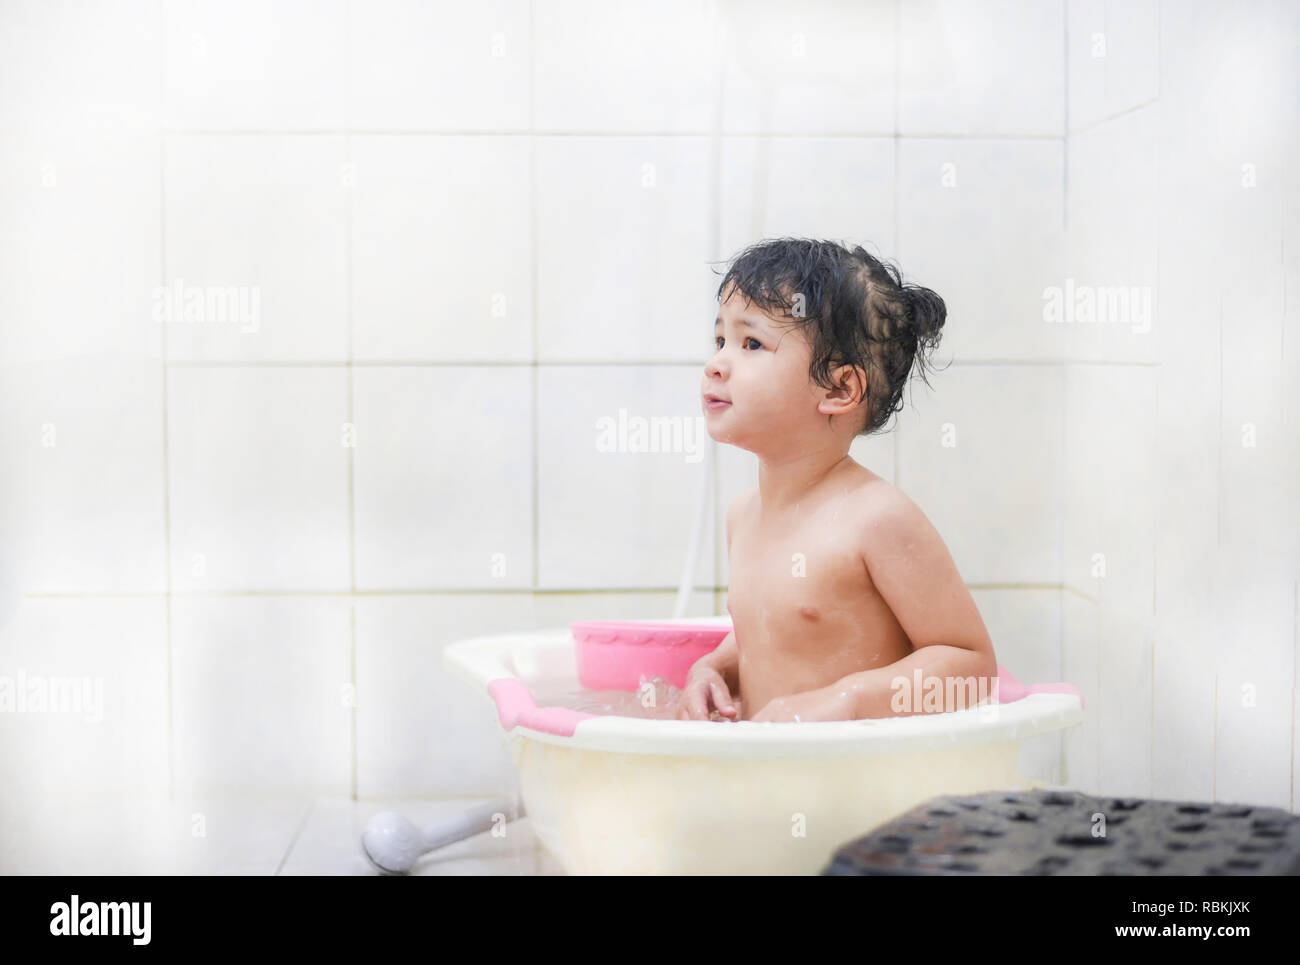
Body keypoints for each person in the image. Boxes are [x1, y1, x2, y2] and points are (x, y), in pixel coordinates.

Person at [676, 237, 997, 722]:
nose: (716, 364)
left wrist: (845, 700)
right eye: (720, 340)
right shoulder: (743, 515)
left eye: (752, 344)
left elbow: (971, 669)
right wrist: (713, 668)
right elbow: (774, 632)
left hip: (857, 783)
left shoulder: (877, 519)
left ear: (840, 388)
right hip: (773, 776)